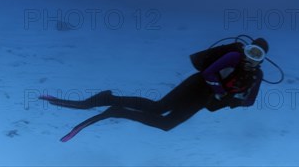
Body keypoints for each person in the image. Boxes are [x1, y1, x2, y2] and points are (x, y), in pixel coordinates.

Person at [40, 37, 270, 142]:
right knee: (159, 108)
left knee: (167, 124)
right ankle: (106, 99)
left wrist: (232, 100)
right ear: (246, 49)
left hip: (205, 98)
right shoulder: (232, 56)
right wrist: (221, 90)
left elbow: (249, 101)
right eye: (251, 51)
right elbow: (209, 73)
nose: (252, 57)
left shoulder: (256, 75)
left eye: (258, 55)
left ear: (262, 59)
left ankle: (115, 109)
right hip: (197, 85)